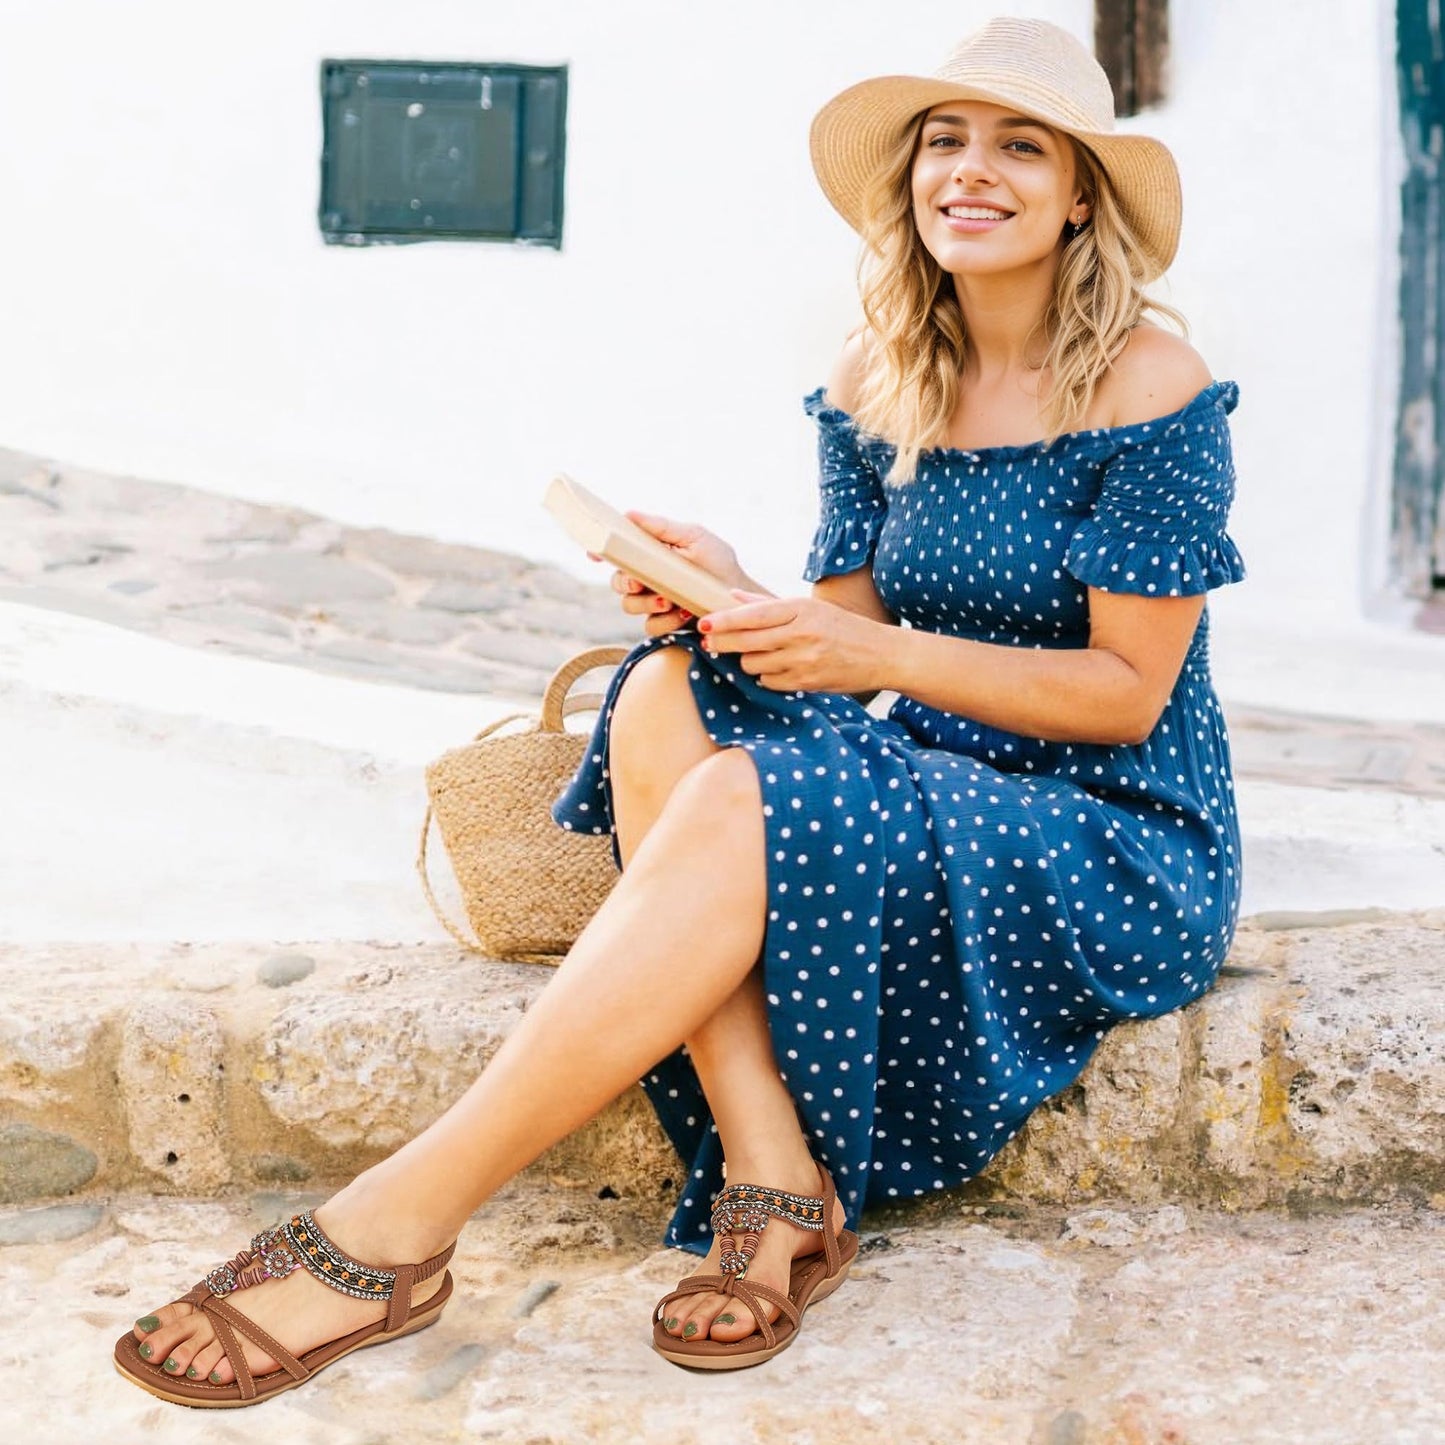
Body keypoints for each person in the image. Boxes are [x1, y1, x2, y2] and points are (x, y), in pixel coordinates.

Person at [114, 15, 1244, 1404]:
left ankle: (395, 1222)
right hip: (925, 771)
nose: (970, 169)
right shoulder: (871, 378)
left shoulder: (1152, 390)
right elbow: (860, 635)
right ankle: (773, 1169)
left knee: (734, 790)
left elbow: (1126, 698)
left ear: (1080, 193)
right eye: (942, 140)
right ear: (906, 179)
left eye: (1020, 145)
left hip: (1107, 828)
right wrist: (731, 591)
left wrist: (842, 649)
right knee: (661, 694)